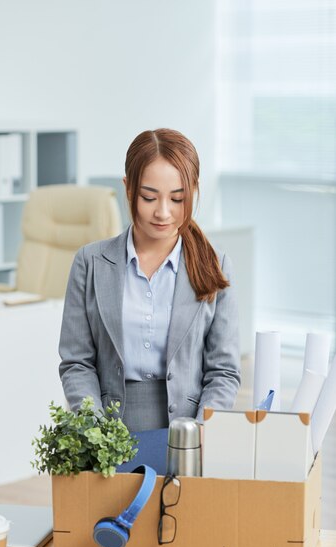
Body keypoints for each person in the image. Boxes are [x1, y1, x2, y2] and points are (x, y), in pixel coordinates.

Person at [59, 128, 240, 431]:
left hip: (187, 434)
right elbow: (77, 363)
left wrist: (197, 435)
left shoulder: (215, 266)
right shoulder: (89, 263)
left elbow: (223, 372)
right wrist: (99, 433)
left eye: (178, 198)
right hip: (108, 432)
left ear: (193, 191)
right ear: (128, 189)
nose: (163, 212)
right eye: (149, 197)